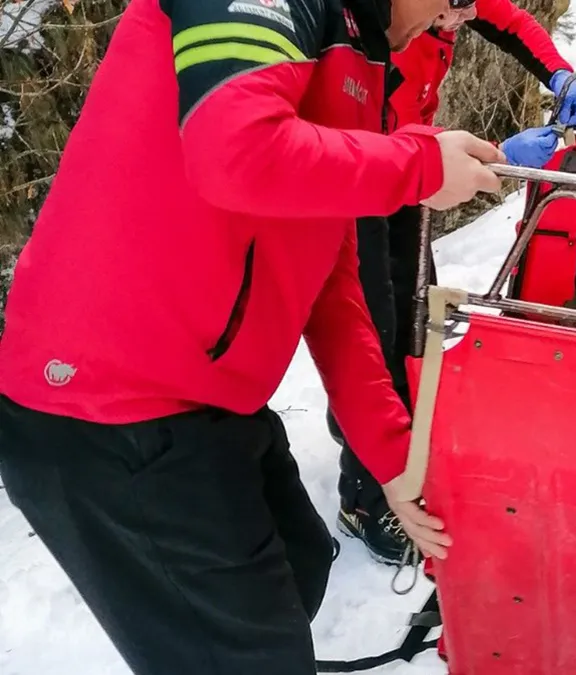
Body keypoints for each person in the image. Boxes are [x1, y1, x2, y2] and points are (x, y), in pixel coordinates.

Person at [0, 0, 497, 671]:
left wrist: (393, 460)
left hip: (200, 397)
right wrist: (419, 167)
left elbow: (330, 273)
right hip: (107, 405)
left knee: (299, 567)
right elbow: (233, 148)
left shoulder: (355, 43)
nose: (455, 18)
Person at [330, 0, 576, 566]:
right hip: (371, 172)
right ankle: (364, 498)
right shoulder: (378, 22)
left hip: (407, 175)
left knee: (416, 316)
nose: (463, 17)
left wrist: (559, 72)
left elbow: (510, 22)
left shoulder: (449, 5)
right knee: (374, 326)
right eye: (452, 10)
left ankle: (389, 435)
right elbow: (363, 125)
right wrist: (481, 152)